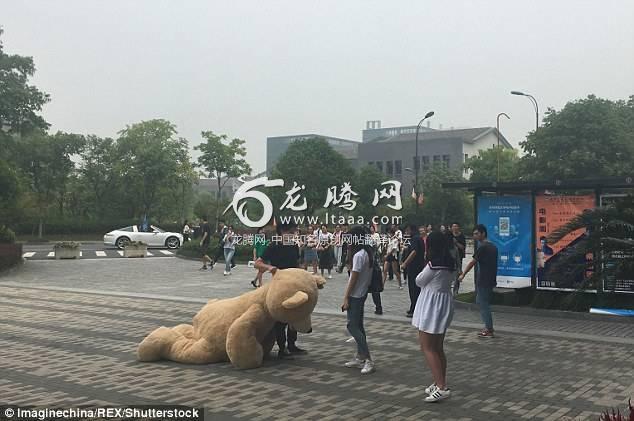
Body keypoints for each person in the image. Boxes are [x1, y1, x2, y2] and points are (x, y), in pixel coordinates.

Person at [412, 231, 456, 403]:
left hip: (431, 306)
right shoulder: (450, 263)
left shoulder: (433, 265)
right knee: (438, 347)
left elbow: (419, 281)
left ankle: (441, 386)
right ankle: (439, 382)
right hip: (444, 304)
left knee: (427, 348)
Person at [254, 222, 307, 357]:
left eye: (294, 232)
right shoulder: (273, 246)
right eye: (291, 232)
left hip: (294, 284)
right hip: (279, 287)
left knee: (294, 315)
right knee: (281, 317)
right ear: (282, 232)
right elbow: (258, 263)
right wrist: (269, 268)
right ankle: (282, 348)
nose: (293, 235)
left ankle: (292, 344)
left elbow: (297, 263)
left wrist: (304, 274)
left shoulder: (294, 246)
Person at [341, 225, 375, 375]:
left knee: (352, 326)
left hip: (355, 295)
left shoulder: (359, 255)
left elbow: (353, 279)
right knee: (358, 326)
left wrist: (346, 298)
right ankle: (360, 356)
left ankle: (368, 359)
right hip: (361, 293)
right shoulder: (366, 252)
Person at [458, 224, 498, 338]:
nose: (474, 236)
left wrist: (463, 275)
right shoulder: (493, 246)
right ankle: (488, 327)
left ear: (483, 234)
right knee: (481, 301)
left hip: (484, 279)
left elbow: (472, 262)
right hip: (490, 278)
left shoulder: (483, 247)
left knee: (483, 304)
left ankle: (489, 328)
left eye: (476, 234)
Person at [400, 224, 426, 317]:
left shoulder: (415, 239)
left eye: (407, 230)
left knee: (414, 289)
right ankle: (414, 307)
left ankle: (414, 309)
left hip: (414, 267)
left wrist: (405, 263)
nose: (406, 232)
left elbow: (414, 252)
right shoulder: (418, 239)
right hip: (418, 266)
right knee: (415, 288)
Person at [369, 224, 384, 315]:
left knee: (373, 291)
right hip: (374, 270)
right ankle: (378, 307)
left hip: (372, 270)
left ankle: (379, 307)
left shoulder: (369, 248)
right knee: (374, 291)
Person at [449, 223, 466, 296]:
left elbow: (463, 247)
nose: (455, 228)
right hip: (450, 257)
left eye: (456, 226)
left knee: (457, 273)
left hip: (459, 257)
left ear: (459, 227)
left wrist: (456, 243)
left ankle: (455, 291)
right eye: (453, 226)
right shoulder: (449, 235)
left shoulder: (461, 236)